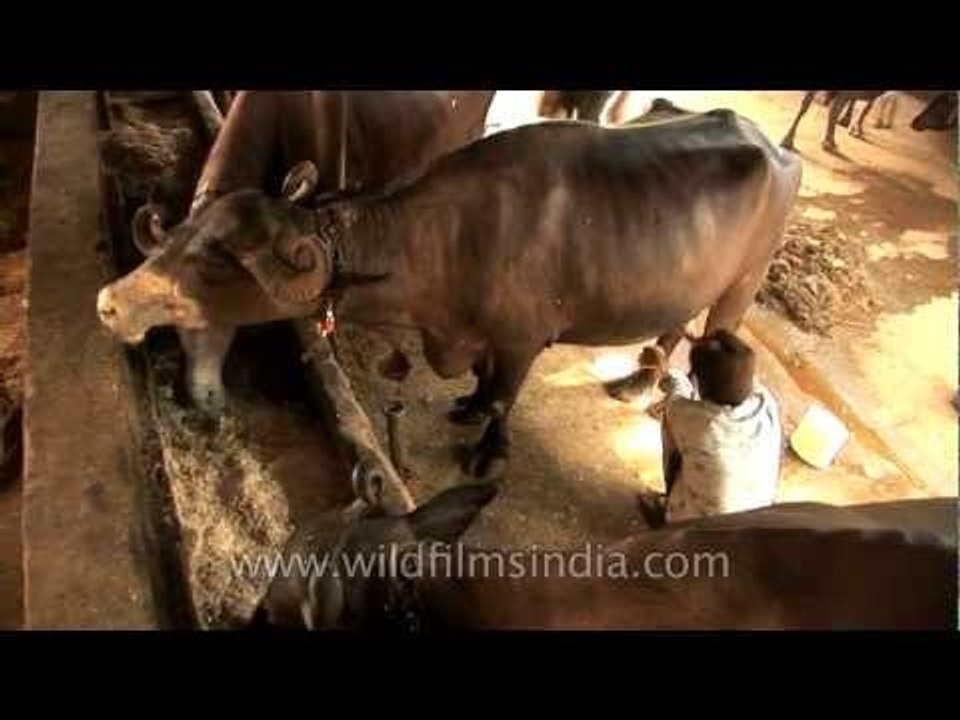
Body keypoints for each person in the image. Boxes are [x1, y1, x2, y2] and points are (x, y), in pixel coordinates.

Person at [637, 330, 783, 529]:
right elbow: (731, 372)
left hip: (701, 527)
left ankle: (670, 516)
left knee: (670, 428)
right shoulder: (766, 402)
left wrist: (664, 369)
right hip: (752, 520)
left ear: (700, 384)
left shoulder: (700, 423)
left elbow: (676, 395)